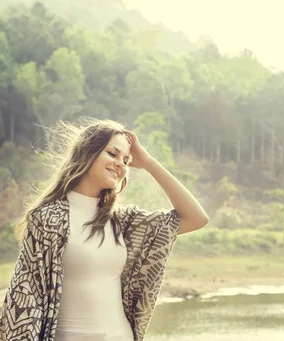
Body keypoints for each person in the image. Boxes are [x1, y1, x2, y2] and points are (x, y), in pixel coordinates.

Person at [0, 119, 210, 341]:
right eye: (112, 153)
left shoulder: (123, 222)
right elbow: (24, 296)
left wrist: (148, 162)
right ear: (88, 152)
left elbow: (196, 218)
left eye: (126, 160)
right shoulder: (47, 219)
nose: (120, 164)